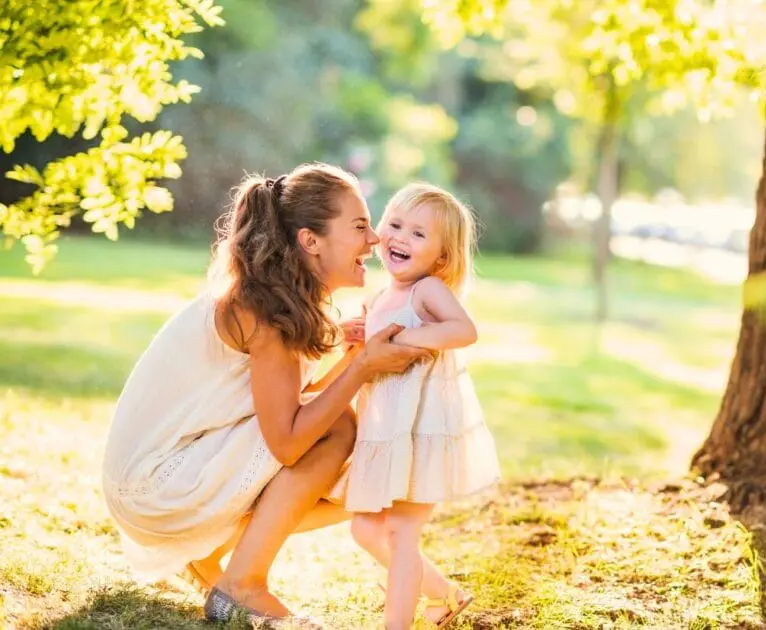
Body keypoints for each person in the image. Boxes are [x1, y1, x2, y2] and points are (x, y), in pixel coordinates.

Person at [101, 163, 431, 622]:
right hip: (153, 486)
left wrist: (348, 352)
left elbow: (285, 401)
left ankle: (214, 555)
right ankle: (243, 585)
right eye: (359, 227)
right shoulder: (265, 311)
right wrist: (362, 367)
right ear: (310, 241)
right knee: (338, 429)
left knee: (359, 469)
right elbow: (289, 441)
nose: (374, 239)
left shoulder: (278, 298)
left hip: (157, 475)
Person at [329, 183, 501, 629]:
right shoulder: (379, 296)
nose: (401, 238)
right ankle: (444, 595)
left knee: (400, 533)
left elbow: (463, 330)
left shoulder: (427, 290)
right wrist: (357, 337)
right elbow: (372, 354)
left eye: (419, 234)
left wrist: (407, 337)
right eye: (396, 224)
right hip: (386, 431)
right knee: (366, 529)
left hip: (421, 432)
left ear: (442, 257)